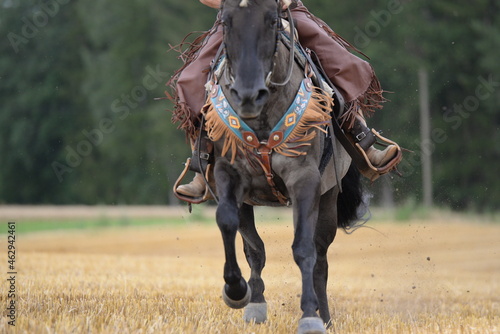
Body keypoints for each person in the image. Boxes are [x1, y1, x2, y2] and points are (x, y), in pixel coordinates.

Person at [168, 0, 400, 198]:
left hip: (285, 12)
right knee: (191, 80)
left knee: (339, 62)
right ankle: (203, 165)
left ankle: (363, 142)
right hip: (236, 19)